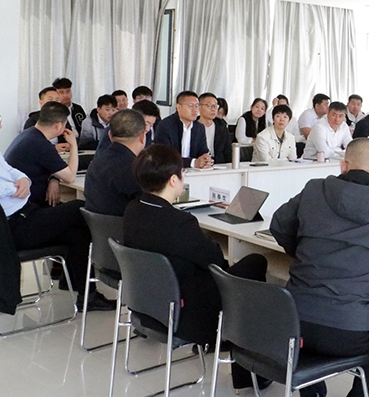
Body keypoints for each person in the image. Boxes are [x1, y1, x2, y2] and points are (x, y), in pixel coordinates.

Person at [269, 139, 369, 397]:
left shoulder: (314, 189)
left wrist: (303, 251)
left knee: (310, 334)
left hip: (292, 320)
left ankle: (313, 392)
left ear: (343, 166)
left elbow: (278, 225)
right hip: (348, 331)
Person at [123, 144, 271, 388]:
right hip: (188, 314)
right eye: (182, 172)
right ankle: (247, 370)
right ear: (173, 180)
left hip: (149, 305)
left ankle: (229, 346)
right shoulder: (179, 222)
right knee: (256, 262)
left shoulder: (132, 210)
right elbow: (216, 260)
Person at [0, 99, 104, 310]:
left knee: (76, 233)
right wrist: (11, 188)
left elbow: (10, 171)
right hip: (9, 229)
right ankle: (105, 269)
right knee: (78, 208)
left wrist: (24, 180)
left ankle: (85, 294)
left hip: (22, 214)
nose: (0, 126)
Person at [84, 110, 149, 216]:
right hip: (125, 224)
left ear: (109, 135)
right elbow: (150, 207)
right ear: (142, 136)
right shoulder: (136, 169)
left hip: (96, 225)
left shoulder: (95, 162)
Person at [152, 90, 213, 169]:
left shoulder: (199, 127)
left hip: (193, 171)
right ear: (178, 107)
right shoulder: (165, 125)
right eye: (190, 106)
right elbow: (165, 157)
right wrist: (193, 162)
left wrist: (206, 160)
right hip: (169, 170)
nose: (195, 110)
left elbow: (203, 151)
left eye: (197, 106)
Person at [199, 93, 234, 164]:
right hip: (198, 165)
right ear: (199, 107)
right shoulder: (192, 126)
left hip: (219, 165)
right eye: (209, 106)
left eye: (215, 106)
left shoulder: (222, 127)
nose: (213, 109)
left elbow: (228, 151)